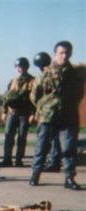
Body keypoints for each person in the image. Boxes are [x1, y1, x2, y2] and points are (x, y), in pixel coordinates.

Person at [29, 41, 83, 190]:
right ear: (55, 54)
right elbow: (34, 96)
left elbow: (79, 93)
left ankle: (69, 177)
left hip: (69, 114)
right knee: (41, 146)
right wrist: (45, 106)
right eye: (61, 52)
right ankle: (35, 174)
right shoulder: (45, 74)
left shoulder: (75, 74)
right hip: (48, 115)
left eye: (67, 53)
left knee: (70, 148)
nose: (64, 55)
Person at [0, 57, 35, 168]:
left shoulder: (32, 81)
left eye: (22, 66)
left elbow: (34, 99)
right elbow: (6, 97)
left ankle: (19, 160)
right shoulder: (12, 81)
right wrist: (4, 111)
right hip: (12, 113)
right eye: (18, 67)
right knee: (8, 137)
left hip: (25, 113)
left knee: (22, 137)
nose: (20, 69)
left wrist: (33, 113)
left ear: (26, 67)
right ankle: (7, 159)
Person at [33, 51, 61, 172]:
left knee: (42, 140)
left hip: (46, 113)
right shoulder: (59, 73)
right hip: (60, 111)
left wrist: (39, 108)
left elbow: (35, 96)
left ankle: (37, 169)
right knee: (56, 138)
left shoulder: (42, 76)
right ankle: (55, 163)